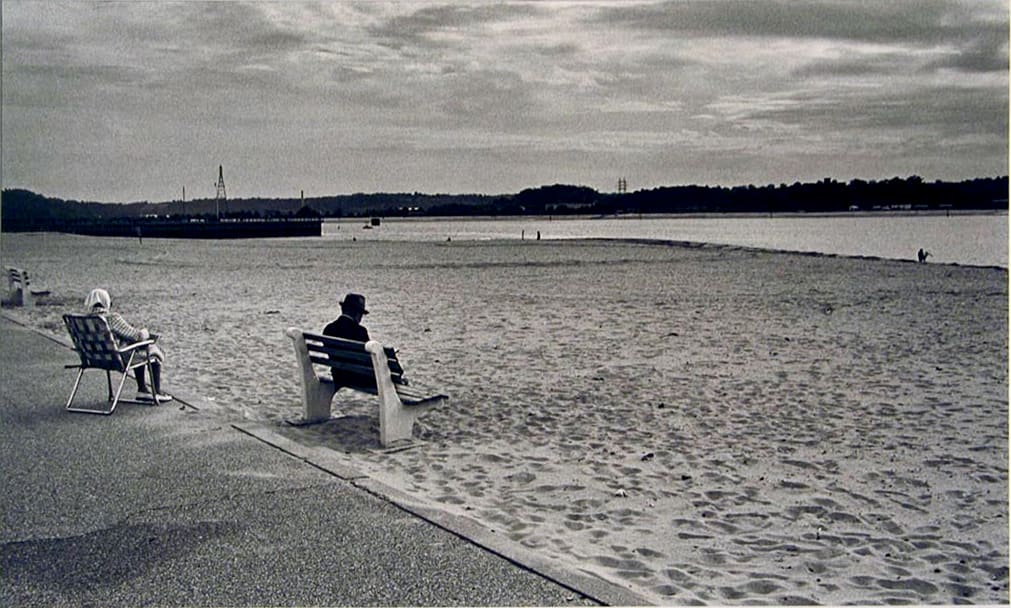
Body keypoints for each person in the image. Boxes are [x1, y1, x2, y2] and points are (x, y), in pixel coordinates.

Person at [84, 288, 171, 403]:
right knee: (150, 351)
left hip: (93, 358)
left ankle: (143, 389)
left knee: (135, 348)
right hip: (115, 359)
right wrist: (145, 332)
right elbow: (137, 335)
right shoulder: (111, 318)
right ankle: (155, 391)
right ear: (107, 302)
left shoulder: (84, 321)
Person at [323, 293, 403, 388]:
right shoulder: (360, 331)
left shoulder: (328, 329)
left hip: (339, 377)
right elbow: (368, 359)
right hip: (360, 379)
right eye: (361, 314)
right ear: (357, 313)